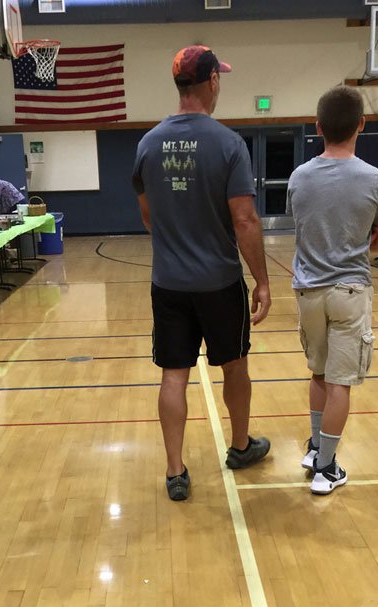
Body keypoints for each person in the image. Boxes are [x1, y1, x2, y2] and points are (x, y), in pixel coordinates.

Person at [132, 46, 272, 501]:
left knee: (174, 375)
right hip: (219, 283)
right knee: (234, 365)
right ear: (212, 81)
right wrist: (262, 281)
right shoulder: (229, 144)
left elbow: (148, 216)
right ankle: (240, 446)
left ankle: (175, 471)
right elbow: (245, 220)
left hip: (169, 283)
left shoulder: (147, 144)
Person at [287, 86, 378, 495]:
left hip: (308, 290)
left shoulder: (299, 177)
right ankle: (326, 468)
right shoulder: (376, 180)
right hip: (350, 290)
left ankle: (316, 448)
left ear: (318, 127)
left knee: (318, 372)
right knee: (340, 383)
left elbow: (303, 228)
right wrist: (361, 241)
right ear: (361, 125)